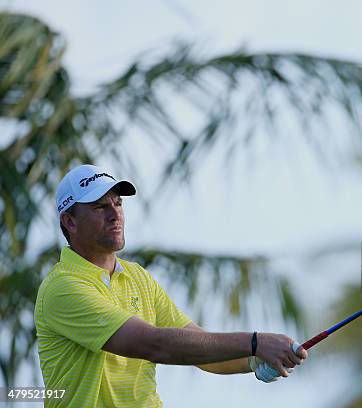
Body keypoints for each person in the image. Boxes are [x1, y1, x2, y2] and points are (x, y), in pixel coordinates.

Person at [34, 164, 307, 407]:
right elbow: (154, 344)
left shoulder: (137, 276)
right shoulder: (62, 287)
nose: (115, 214)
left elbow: (201, 352)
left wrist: (255, 360)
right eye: (100, 207)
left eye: (117, 204)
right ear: (70, 221)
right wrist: (255, 342)